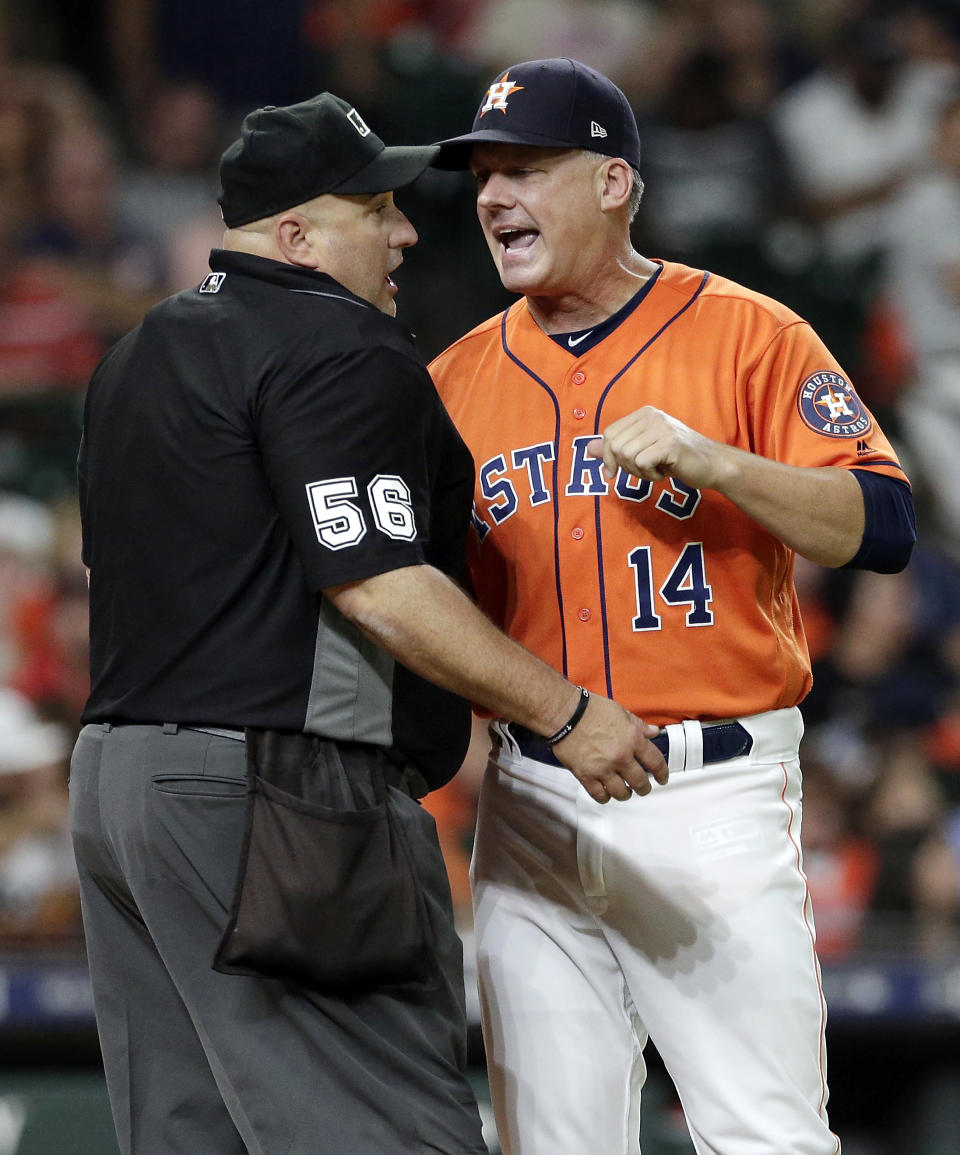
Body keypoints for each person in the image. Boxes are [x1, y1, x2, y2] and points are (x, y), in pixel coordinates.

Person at [70, 91, 668, 1155]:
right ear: (297, 236)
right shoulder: (338, 346)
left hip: (121, 786)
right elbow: (380, 582)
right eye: (374, 208)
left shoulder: (141, 352)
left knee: (195, 1137)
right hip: (277, 797)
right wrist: (566, 710)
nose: (404, 232)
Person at [428, 57, 917, 1155]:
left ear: (613, 182)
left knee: (765, 1139)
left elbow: (881, 525)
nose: (495, 196)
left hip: (714, 793)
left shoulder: (749, 334)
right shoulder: (454, 380)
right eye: (485, 176)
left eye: (527, 169)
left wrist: (722, 463)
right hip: (532, 796)